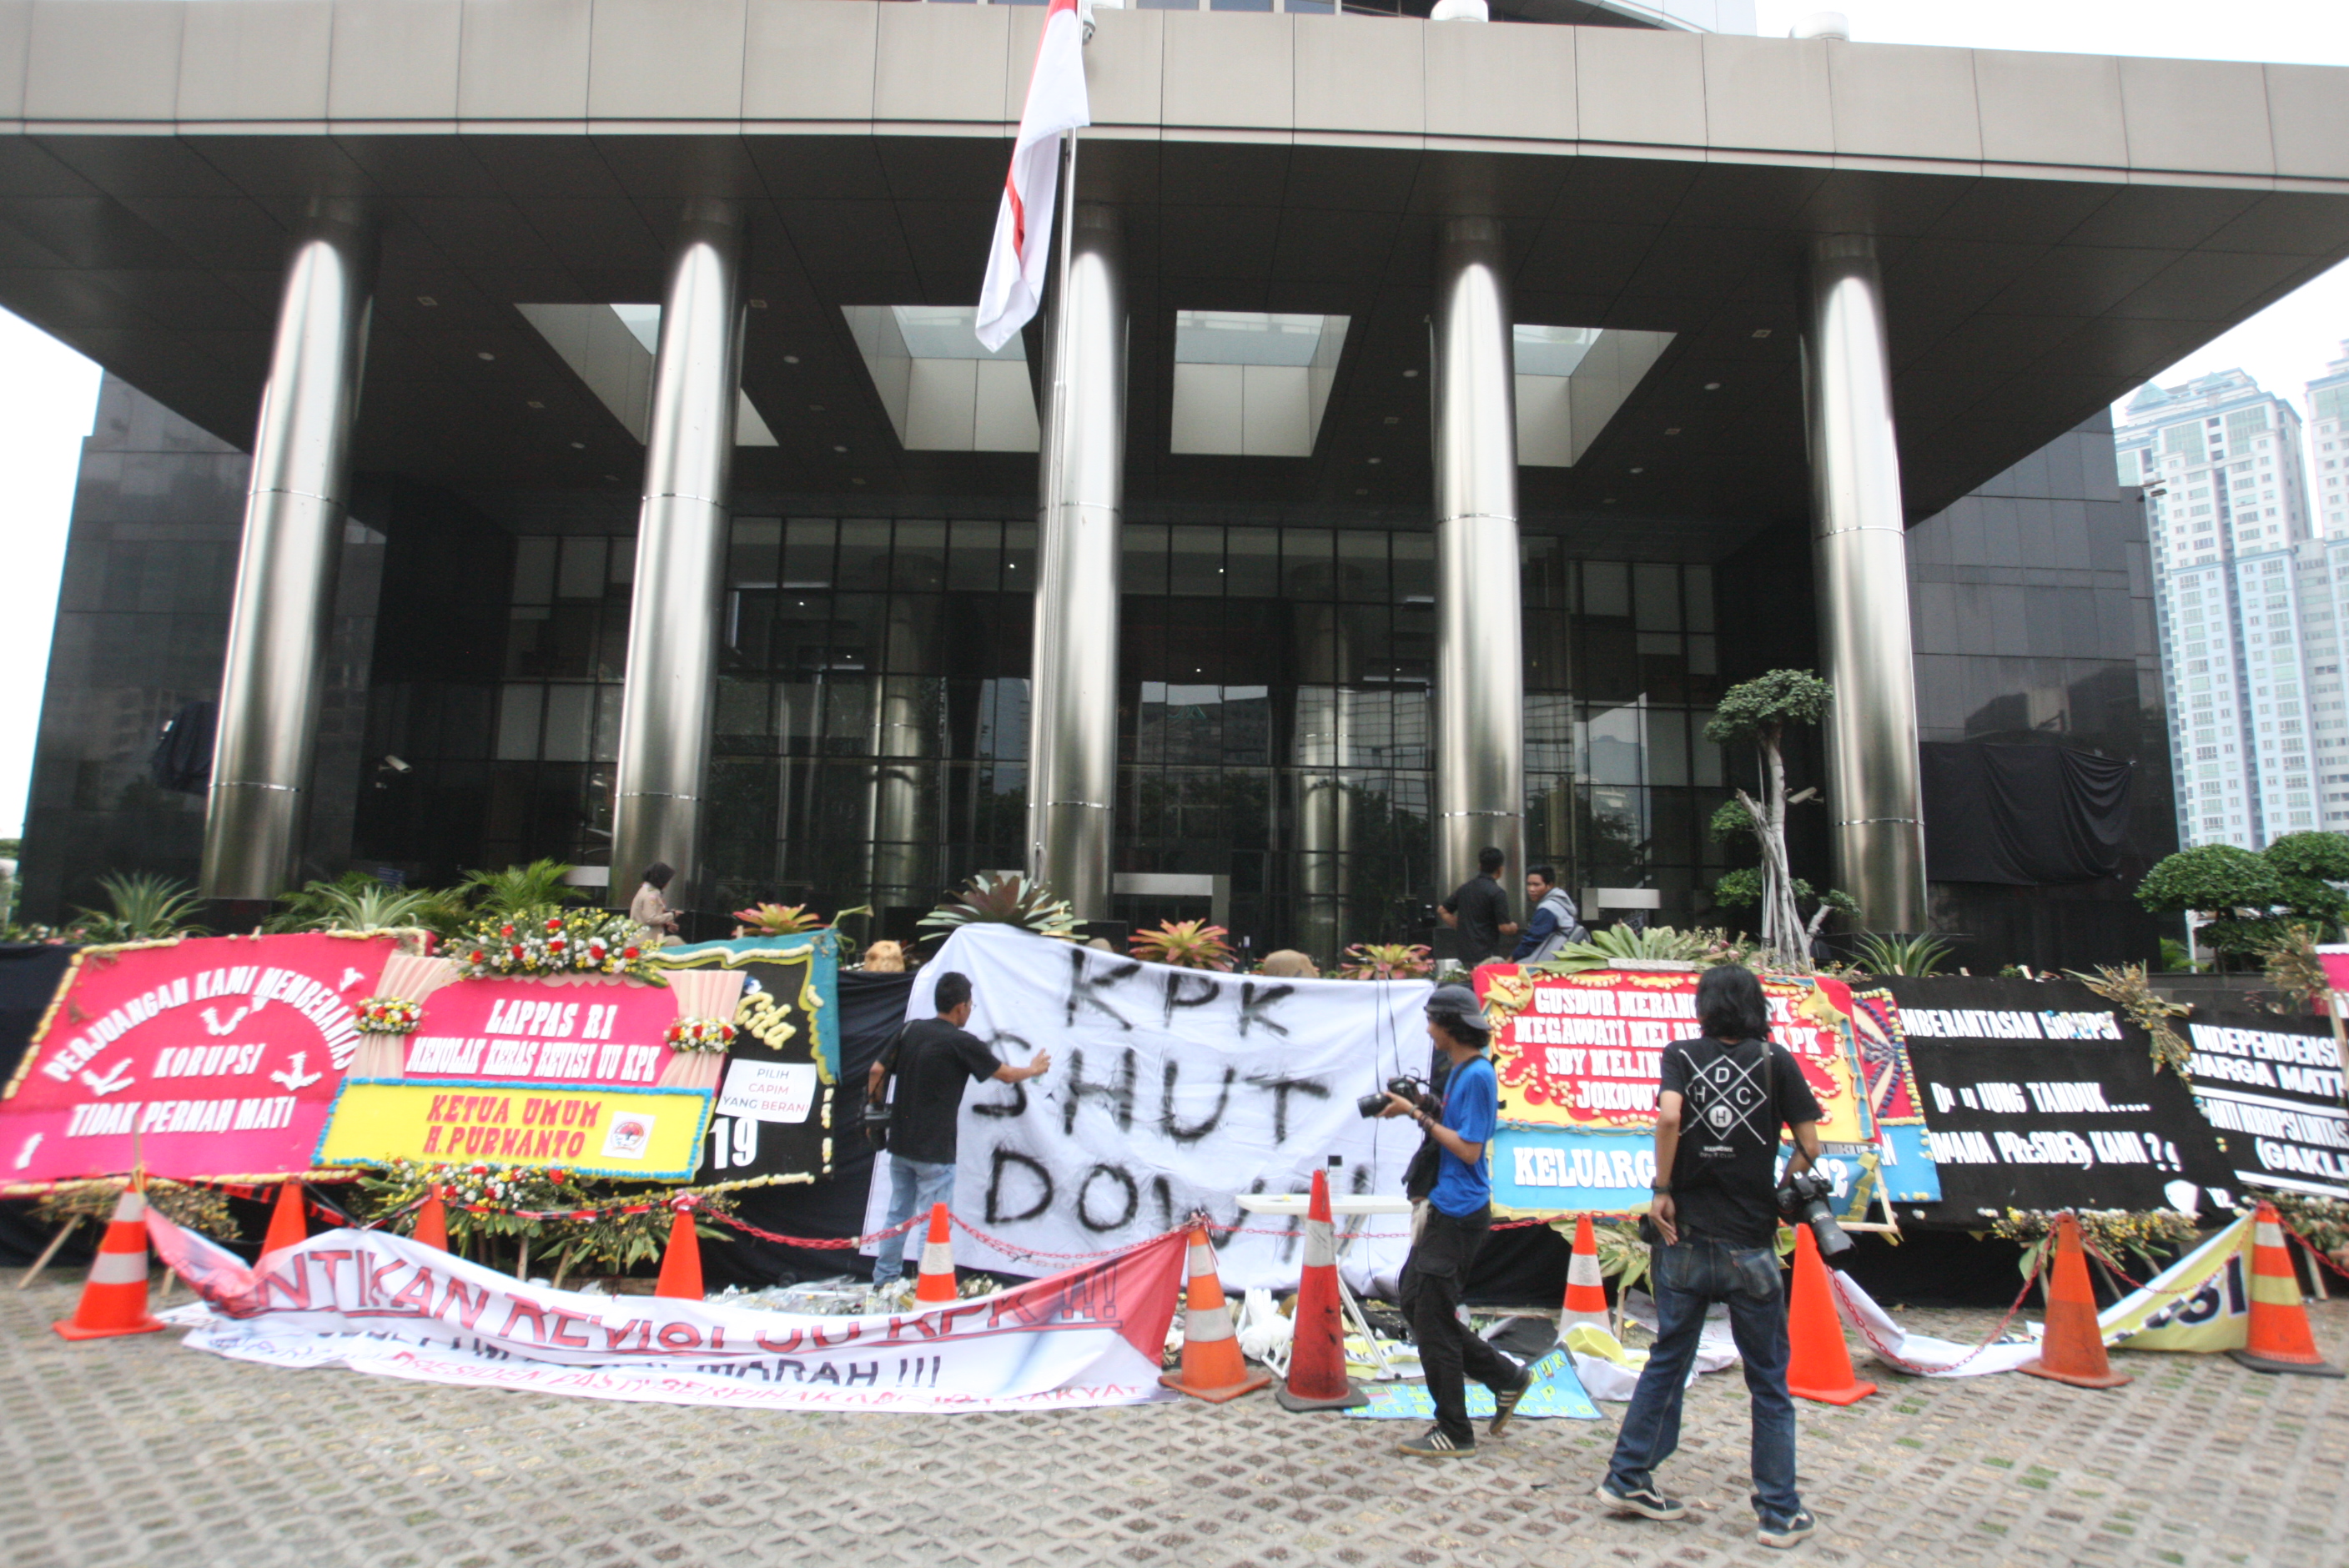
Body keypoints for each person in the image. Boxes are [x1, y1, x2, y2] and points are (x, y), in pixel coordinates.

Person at [1598, 963, 1825, 1550]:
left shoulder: (1680, 1053)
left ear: (1705, 1006)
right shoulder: (1776, 1061)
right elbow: (1811, 1145)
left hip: (1685, 1238)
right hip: (1750, 1240)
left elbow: (1670, 1115)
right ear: (1756, 1008)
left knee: (1668, 1359)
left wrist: (1662, 1189)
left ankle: (1628, 1477)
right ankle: (1778, 1512)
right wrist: (1782, 1194)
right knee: (1768, 1380)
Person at [1379, 983, 1531, 1457]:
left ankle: (1454, 1429)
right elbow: (1456, 1124)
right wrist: (1423, 1107)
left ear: (1449, 1026)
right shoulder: (1463, 1070)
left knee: (1431, 1315)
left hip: (1459, 1212)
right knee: (1416, 1300)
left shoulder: (1479, 1075)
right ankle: (1504, 1376)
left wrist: (1417, 1117)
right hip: (1447, 1207)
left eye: (1431, 1021)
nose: (1427, 1030)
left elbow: (1467, 1148)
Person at [864, 971, 1051, 1286]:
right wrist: (1032, 1070)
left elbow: (876, 1069)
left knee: (898, 1215)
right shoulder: (961, 1042)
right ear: (961, 1007)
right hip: (936, 1149)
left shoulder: (910, 1030)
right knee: (934, 1224)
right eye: (971, 1005)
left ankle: (884, 1281)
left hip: (900, 1143)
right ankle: (928, 1287)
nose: (970, 1010)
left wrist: (874, 1112)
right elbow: (1004, 1075)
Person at [1438, 846, 1518, 965]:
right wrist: (1514, 927)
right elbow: (1504, 928)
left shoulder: (1465, 888)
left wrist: (1458, 924)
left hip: (1464, 953)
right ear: (1500, 870)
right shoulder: (1497, 892)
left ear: (1480, 866)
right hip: (1487, 955)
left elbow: (1442, 910)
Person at [1512, 865, 1586, 963]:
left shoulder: (1548, 908)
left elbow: (1532, 941)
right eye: (1529, 884)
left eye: (1536, 885)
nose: (1531, 889)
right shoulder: (1560, 902)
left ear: (1550, 885)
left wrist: (1510, 960)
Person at [629, 862, 682, 944]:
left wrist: (666, 924)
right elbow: (650, 919)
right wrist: (672, 915)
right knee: (676, 942)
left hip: (643, 939)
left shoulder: (646, 891)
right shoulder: (650, 895)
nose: (668, 884)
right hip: (644, 943)